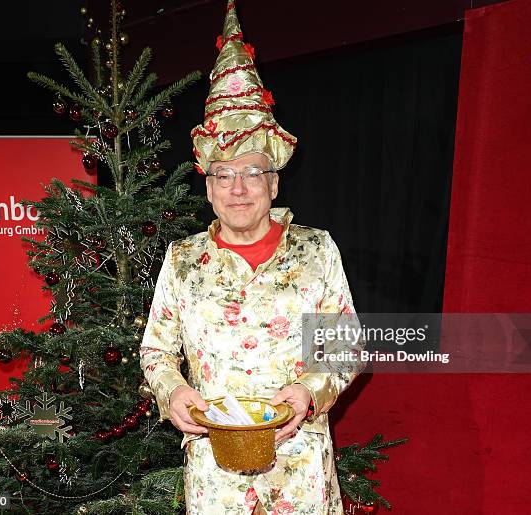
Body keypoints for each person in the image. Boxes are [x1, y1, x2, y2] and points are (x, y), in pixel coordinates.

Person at [140, 2, 364, 513]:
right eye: (224, 174)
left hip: (300, 468)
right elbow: (157, 352)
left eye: (252, 172)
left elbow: (345, 346)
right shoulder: (182, 261)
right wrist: (172, 393)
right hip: (214, 471)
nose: (238, 188)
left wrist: (310, 390)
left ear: (274, 180)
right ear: (209, 185)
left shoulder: (315, 251)